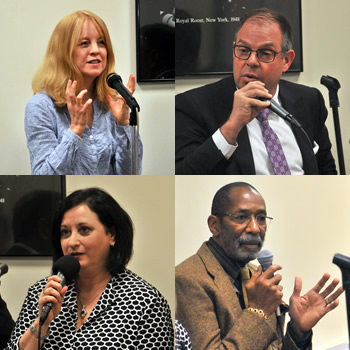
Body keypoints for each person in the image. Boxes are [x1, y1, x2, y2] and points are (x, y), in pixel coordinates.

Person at [176, 182, 343, 349]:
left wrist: (297, 332)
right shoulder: (188, 279)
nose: (255, 228)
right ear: (214, 225)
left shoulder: (256, 274)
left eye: (261, 218)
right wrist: (258, 312)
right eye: (241, 217)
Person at [6, 188, 173, 349]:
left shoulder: (147, 302)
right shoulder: (43, 293)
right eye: (65, 232)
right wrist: (42, 323)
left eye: (84, 230)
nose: (72, 242)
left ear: (112, 235)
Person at [175, 8, 336, 175]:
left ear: (286, 61)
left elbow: (327, 169)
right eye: (243, 51)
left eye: (265, 53)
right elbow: (183, 175)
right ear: (234, 51)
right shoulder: (193, 106)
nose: (251, 61)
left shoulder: (310, 99)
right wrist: (232, 126)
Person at [25, 10, 143, 175]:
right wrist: (75, 131)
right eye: (84, 43)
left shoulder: (112, 102)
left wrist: (123, 123)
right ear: (63, 52)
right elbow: (42, 176)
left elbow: (131, 175)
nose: (96, 50)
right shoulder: (40, 106)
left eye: (101, 43)